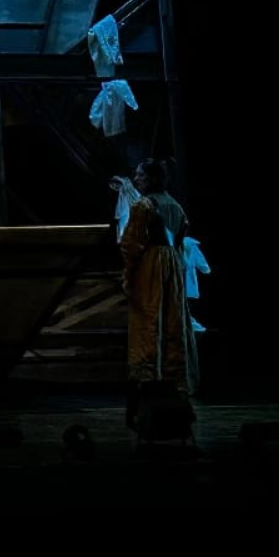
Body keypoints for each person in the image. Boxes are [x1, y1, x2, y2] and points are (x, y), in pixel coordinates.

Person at [119, 158, 198, 430]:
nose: (136, 179)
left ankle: (146, 389)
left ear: (151, 178)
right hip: (172, 264)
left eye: (140, 175)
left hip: (151, 265)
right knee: (171, 322)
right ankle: (172, 381)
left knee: (148, 324)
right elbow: (182, 232)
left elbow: (131, 243)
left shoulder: (144, 205)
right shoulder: (175, 205)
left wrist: (129, 273)